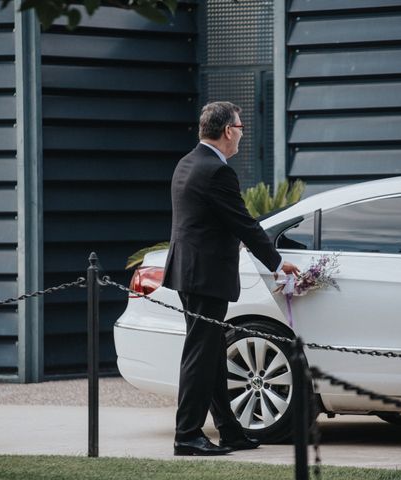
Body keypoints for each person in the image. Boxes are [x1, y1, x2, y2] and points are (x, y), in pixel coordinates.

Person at [162, 101, 300, 456]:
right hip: (206, 276)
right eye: (240, 127)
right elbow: (243, 222)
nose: (241, 134)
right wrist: (277, 261)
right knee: (200, 355)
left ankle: (230, 430)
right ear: (227, 131)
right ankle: (187, 435)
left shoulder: (187, 162)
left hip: (189, 272)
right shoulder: (216, 171)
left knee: (210, 354)